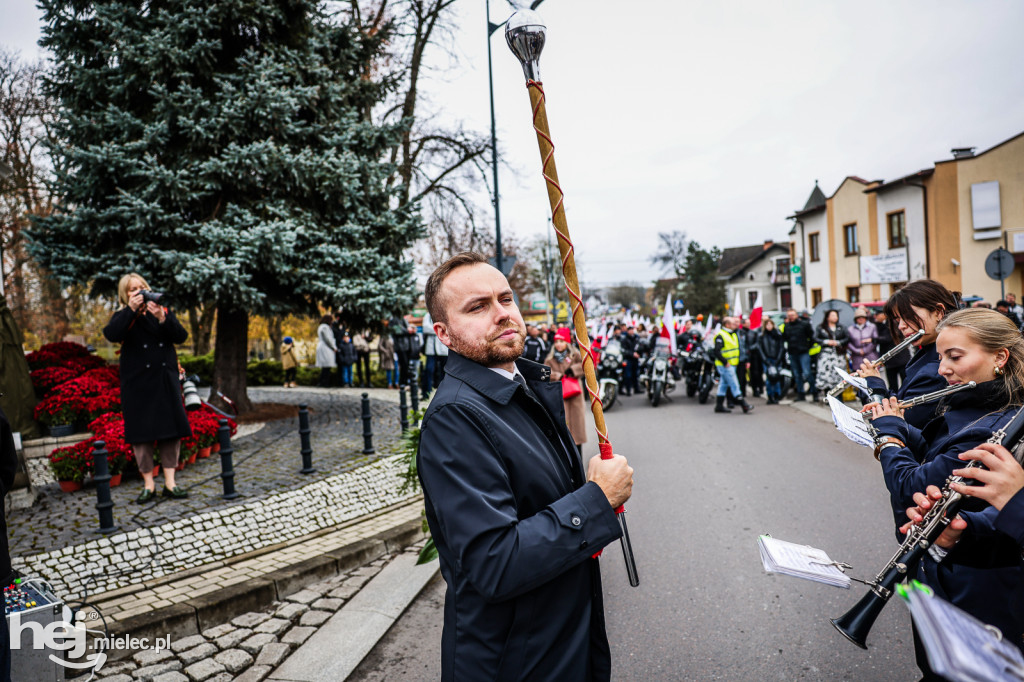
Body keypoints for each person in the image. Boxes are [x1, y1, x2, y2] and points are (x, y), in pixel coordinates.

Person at [417, 252, 632, 681]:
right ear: (444, 334)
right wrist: (597, 500)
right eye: (477, 307)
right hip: (513, 663)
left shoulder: (520, 388)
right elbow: (496, 563)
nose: (502, 313)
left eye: (505, 298)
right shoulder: (455, 418)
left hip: (555, 645)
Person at [867, 308, 1024, 673]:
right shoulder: (976, 405)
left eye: (954, 357)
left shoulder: (995, 422)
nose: (942, 370)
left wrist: (889, 439)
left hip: (974, 587)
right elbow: (940, 456)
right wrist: (957, 535)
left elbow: (913, 485)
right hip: (955, 567)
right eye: (940, 357)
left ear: (1000, 358)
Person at [103, 273, 191, 502]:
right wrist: (131, 310)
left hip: (164, 381)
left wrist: (162, 318)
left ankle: (170, 483)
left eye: (142, 287)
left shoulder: (161, 310)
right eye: (133, 289)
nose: (140, 292)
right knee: (141, 436)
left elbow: (181, 337)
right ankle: (149, 485)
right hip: (138, 384)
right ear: (125, 294)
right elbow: (112, 334)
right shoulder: (123, 315)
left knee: (170, 433)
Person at [859, 279, 959, 429]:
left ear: (938, 312)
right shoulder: (927, 351)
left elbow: (904, 424)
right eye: (898, 320)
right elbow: (902, 402)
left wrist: (875, 386)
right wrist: (870, 385)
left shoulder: (939, 367)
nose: (901, 326)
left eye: (908, 316)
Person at [544, 328, 587, 455]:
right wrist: (557, 375)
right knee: (562, 431)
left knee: (577, 430)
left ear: (567, 342)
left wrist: (573, 370)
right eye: (556, 342)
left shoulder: (575, 355)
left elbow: (586, 367)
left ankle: (579, 458)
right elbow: (545, 373)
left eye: (561, 341)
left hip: (575, 395)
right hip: (559, 395)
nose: (558, 344)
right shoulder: (550, 359)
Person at [713, 317, 753, 414]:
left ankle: (719, 406)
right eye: (732, 323)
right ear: (727, 325)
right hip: (725, 365)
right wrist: (725, 362)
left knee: (723, 385)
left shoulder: (733, 334)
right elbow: (717, 351)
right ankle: (744, 405)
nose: (735, 324)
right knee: (734, 385)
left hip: (733, 364)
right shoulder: (721, 335)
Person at [781, 308, 814, 402]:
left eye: (792, 315)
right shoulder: (787, 326)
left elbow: (811, 336)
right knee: (796, 374)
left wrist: (808, 346)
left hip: (803, 352)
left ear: (796, 315)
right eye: (789, 316)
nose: (791, 317)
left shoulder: (804, 324)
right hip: (792, 353)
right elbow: (784, 338)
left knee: (807, 373)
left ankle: (814, 392)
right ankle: (800, 394)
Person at [814, 309, 849, 399]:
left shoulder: (841, 327)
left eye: (836, 315)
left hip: (838, 355)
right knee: (826, 376)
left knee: (839, 375)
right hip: (826, 356)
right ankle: (828, 397)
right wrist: (826, 341)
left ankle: (839, 397)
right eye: (833, 315)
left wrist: (838, 342)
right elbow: (815, 338)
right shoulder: (821, 327)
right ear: (827, 317)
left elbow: (847, 338)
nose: (835, 317)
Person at [873, 309, 908, 390]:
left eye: (877, 315)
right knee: (892, 384)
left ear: (883, 315)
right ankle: (894, 395)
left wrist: (874, 339)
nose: (875, 317)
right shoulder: (880, 324)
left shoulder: (892, 323)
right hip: (889, 360)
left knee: (905, 382)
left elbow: (888, 338)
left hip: (899, 357)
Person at [757, 318, 785, 404]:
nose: (769, 326)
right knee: (769, 378)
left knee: (776, 378)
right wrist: (765, 360)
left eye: (770, 324)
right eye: (767, 325)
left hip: (776, 359)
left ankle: (777, 395)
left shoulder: (778, 335)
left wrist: (778, 359)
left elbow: (781, 347)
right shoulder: (762, 336)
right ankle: (770, 396)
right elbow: (760, 349)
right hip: (767, 359)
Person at [846, 307, 878, 375]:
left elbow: (875, 340)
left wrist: (865, 350)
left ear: (866, 318)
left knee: (872, 376)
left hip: (870, 356)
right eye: (858, 317)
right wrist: (858, 351)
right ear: (855, 319)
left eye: (863, 317)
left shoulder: (872, 327)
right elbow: (848, 342)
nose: (861, 319)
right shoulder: (850, 329)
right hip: (857, 358)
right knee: (859, 376)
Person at [315, 314, 337, 388]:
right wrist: (334, 347)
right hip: (326, 348)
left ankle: (322, 382)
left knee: (325, 367)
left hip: (325, 347)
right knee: (326, 367)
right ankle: (324, 382)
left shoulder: (322, 327)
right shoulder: (324, 327)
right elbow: (328, 339)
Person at [620, 325, 640, 396]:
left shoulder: (636, 338)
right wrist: (632, 354)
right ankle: (628, 390)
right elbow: (623, 350)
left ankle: (636, 389)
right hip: (628, 359)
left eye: (632, 330)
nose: (631, 331)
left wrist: (638, 353)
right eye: (630, 330)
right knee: (628, 375)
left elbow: (639, 347)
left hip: (635, 360)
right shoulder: (624, 339)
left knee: (635, 375)